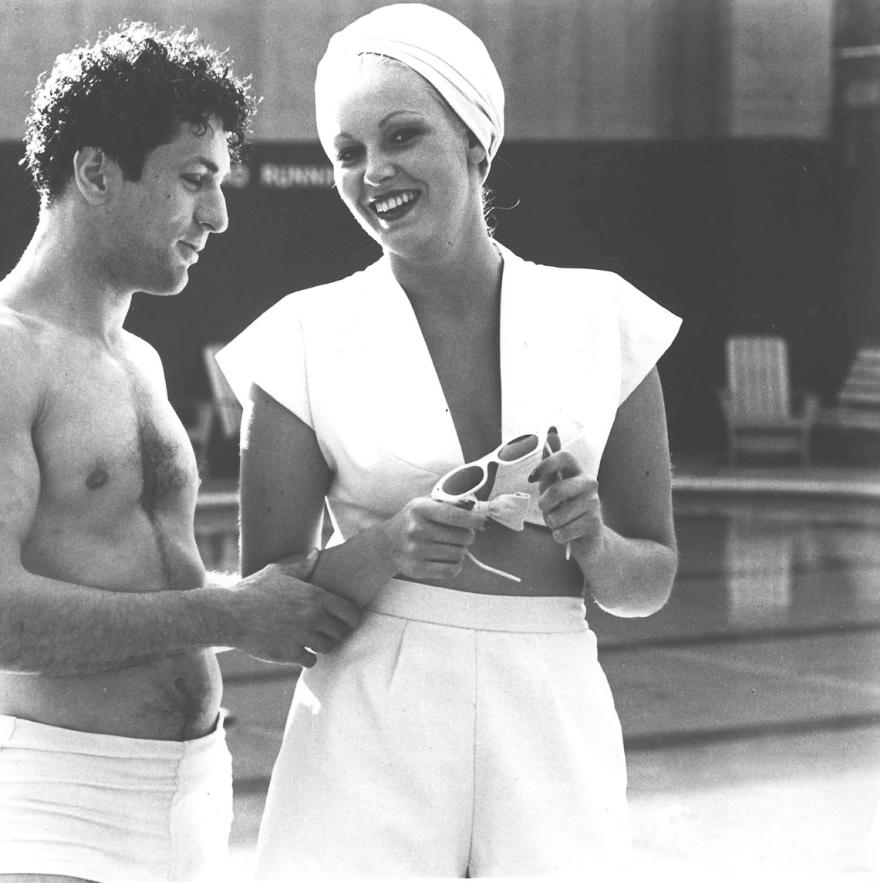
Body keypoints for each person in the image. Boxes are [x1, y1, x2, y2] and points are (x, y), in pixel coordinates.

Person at [0, 22, 361, 883]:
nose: (217, 215)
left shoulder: (135, 358)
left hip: (194, 795)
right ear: (97, 172)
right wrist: (232, 615)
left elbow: (146, 575)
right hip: (58, 801)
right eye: (194, 180)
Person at [217, 4, 681, 878]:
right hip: (372, 716)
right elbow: (269, 601)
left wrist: (593, 541)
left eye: (401, 137)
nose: (373, 171)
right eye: (347, 153)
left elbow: (648, 578)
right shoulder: (302, 336)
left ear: (476, 141)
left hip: (552, 709)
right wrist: (390, 545)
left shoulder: (603, 317)